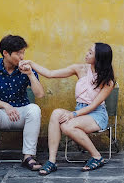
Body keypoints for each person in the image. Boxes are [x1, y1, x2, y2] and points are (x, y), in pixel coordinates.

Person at [19, 42, 115, 175]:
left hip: (96, 115)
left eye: (90, 53)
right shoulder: (79, 69)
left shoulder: (108, 81)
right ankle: (52, 161)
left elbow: (94, 105)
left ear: (99, 58)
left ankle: (97, 157)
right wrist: (31, 63)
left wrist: (73, 114)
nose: (86, 54)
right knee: (56, 113)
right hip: (79, 112)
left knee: (67, 126)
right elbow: (50, 74)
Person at [0, 35, 45, 172]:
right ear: (5, 53)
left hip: (21, 114)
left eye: (23, 52)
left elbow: (39, 94)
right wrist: (6, 106)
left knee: (34, 109)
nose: (22, 57)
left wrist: (30, 74)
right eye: (18, 53)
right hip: (1, 115)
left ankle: (28, 156)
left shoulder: (26, 68)